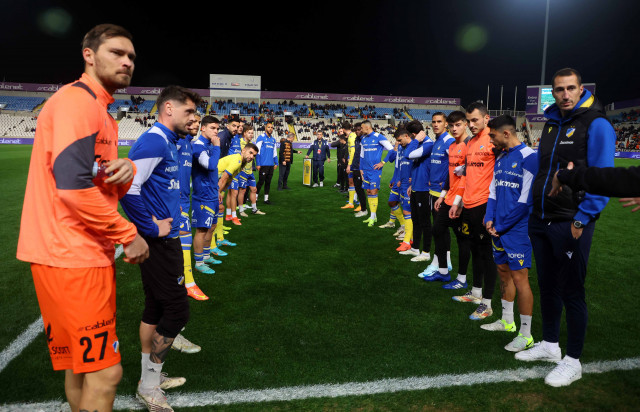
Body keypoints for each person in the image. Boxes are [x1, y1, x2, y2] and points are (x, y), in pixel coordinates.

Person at [17, 23, 148, 412]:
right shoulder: (78, 102)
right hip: (73, 254)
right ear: (88, 55)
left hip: (65, 252)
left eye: (131, 56)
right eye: (116, 53)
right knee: (106, 374)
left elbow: (96, 180)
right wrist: (128, 233)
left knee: (79, 366)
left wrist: (124, 170)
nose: (127, 62)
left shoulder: (101, 111)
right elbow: (72, 187)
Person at [516, 68, 615, 388]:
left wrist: (583, 218)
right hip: (541, 219)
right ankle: (550, 345)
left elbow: (603, 176)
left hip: (572, 221)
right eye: (559, 89)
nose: (565, 94)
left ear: (581, 89)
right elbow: (543, 171)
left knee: (572, 290)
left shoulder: (596, 123)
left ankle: (573, 361)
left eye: (571, 88)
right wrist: (533, 209)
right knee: (547, 286)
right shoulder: (550, 124)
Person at [120, 85, 202, 411]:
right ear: (168, 108)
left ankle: (149, 379)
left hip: (166, 240)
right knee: (177, 311)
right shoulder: (154, 140)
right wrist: (152, 228)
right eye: (189, 111)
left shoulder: (169, 141)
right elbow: (127, 187)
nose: (193, 118)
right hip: (158, 242)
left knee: (155, 307)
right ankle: (149, 384)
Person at [481, 115, 538, 353]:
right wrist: (489, 217)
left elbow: (525, 202)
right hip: (498, 227)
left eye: (492, 135)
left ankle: (526, 335)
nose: (490, 140)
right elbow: (493, 191)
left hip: (517, 230)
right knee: (503, 273)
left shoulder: (530, 157)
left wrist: (501, 225)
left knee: (520, 279)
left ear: (506, 133)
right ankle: (507, 321)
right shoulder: (501, 157)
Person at [451, 102, 499, 322]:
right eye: (468, 121)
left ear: (486, 118)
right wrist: (458, 201)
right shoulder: (470, 142)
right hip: (469, 204)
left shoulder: (494, 140)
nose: (471, 125)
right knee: (475, 250)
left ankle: (487, 304)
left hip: (484, 204)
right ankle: (476, 292)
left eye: (475, 120)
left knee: (487, 254)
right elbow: (467, 175)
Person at [434, 111, 471, 290]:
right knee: (437, 230)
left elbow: (469, 177)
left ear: (465, 124)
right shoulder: (453, 146)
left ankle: (462, 279)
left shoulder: (469, 145)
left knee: (462, 240)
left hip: (462, 202)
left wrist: (459, 202)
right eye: (451, 125)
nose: (454, 129)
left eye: (458, 125)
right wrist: (442, 195)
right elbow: (451, 175)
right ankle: (443, 271)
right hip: (449, 198)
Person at [177, 114, 208, 300]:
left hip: (184, 199)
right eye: (192, 121)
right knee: (185, 237)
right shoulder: (176, 142)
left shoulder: (188, 143)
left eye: (198, 121)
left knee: (179, 241)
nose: (196, 124)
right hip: (174, 201)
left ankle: (181, 280)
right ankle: (189, 283)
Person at [417, 113, 454, 269]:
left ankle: (442, 262)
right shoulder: (437, 141)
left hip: (442, 193)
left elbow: (455, 166)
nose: (436, 124)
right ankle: (443, 262)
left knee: (440, 229)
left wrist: (446, 184)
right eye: (433, 122)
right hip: (433, 191)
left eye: (439, 121)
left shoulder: (449, 141)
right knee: (438, 229)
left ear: (446, 124)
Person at [190, 115, 222, 275]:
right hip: (202, 196)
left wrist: (217, 190)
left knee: (212, 226)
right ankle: (199, 262)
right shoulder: (198, 146)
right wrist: (217, 147)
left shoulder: (209, 145)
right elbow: (210, 165)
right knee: (202, 230)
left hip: (212, 193)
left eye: (217, 129)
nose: (216, 131)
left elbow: (212, 173)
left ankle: (207, 255)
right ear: (203, 128)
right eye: (212, 128)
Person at [405, 120, 435, 259]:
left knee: (425, 222)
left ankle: (426, 253)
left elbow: (408, 154)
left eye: (411, 137)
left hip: (424, 189)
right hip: (416, 187)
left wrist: (416, 140)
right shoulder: (421, 144)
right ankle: (415, 248)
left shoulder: (428, 144)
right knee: (415, 220)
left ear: (413, 134)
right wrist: (412, 185)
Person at [359, 120, 394, 226]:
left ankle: (373, 216)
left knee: (373, 191)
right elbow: (361, 155)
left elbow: (391, 149)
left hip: (375, 170)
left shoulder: (379, 137)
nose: (361, 130)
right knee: (368, 191)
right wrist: (361, 168)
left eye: (362, 128)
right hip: (365, 170)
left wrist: (383, 162)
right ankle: (372, 216)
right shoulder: (363, 139)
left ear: (367, 127)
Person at [237, 124, 266, 216]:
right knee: (242, 190)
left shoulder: (252, 144)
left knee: (254, 189)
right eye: (249, 133)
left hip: (249, 171)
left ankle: (254, 209)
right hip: (242, 171)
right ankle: (241, 210)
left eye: (252, 133)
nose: (251, 135)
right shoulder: (239, 142)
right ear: (244, 133)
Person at [255, 122, 278, 204]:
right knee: (261, 181)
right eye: (269, 127)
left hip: (271, 165)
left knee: (268, 182)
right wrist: (258, 163)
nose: (270, 129)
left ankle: (266, 199)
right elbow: (257, 151)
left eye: (272, 127)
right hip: (263, 164)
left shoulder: (273, 140)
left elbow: (274, 152)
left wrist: (276, 162)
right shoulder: (261, 137)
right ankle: (255, 197)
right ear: (265, 128)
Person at [350, 122, 368, 217]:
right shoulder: (357, 139)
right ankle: (363, 208)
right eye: (356, 130)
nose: (357, 131)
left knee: (362, 189)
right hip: (355, 167)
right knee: (358, 188)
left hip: (361, 168)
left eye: (359, 129)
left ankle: (364, 209)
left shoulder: (365, 140)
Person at [341, 122, 358, 209]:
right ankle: (351, 202)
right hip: (353, 162)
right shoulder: (351, 136)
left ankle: (359, 203)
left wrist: (349, 165)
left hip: (354, 164)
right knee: (351, 181)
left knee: (355, 182)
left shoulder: (351, 137)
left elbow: (353, 152)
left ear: (343, 129)